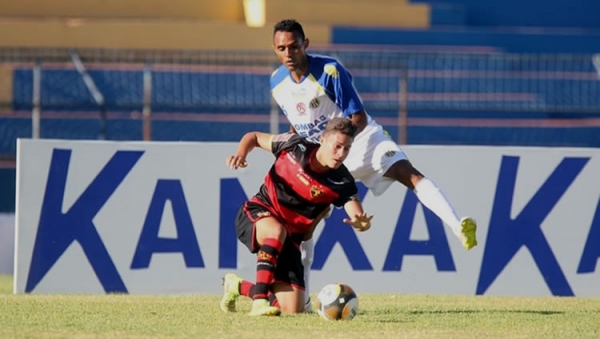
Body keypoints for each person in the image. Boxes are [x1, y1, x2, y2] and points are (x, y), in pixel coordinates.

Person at [270, 19, 478, 312]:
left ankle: (457, 225)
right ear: (275, 49)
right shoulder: (277, 83)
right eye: (282, 48)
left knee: (409, 173)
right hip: (324, 158)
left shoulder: (329, 70)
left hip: (362, 141)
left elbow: (358, 118)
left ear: (306, 43)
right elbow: (297, 125)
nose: (288, 53)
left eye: (294, 45)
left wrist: (341, 148)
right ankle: (301, 300)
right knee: (304, 227)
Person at [221, 117, 373, 316]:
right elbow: (255, 137)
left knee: (292, 310)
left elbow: (354, 209)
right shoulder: (294, 145)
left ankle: (237, 286)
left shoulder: (343, 181)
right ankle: (259, 302)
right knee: (276, 230)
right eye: (337, 146)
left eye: (346, 148)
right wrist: (241, 154)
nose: (341, 154)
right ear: (322, 140)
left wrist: (362, 224)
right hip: (257, 212)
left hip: (290, 239)